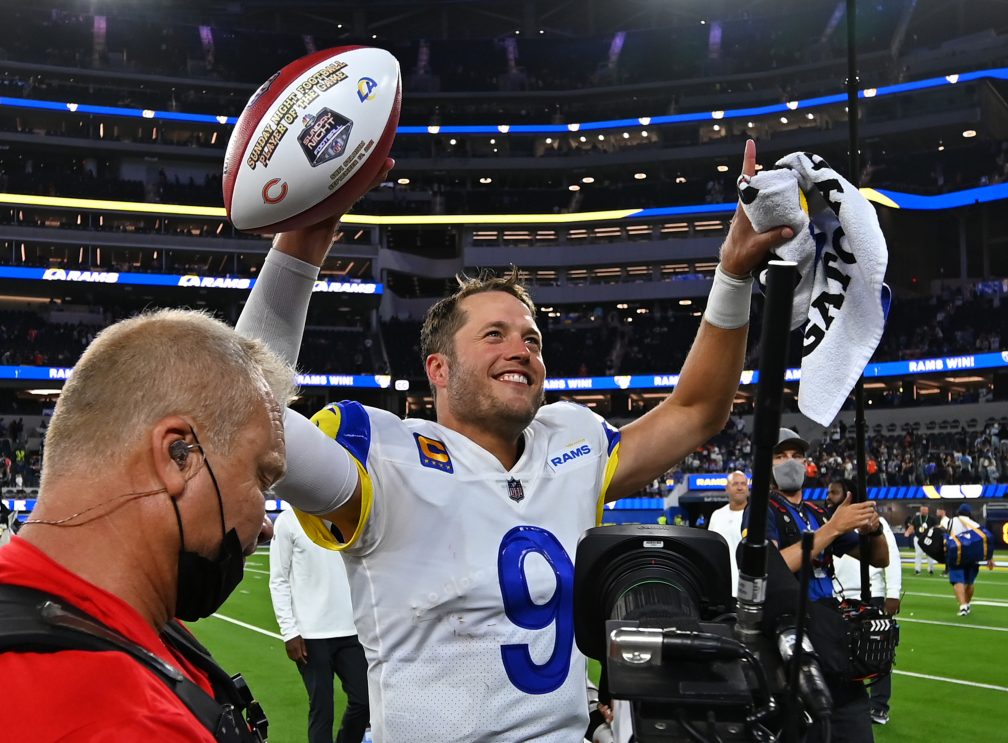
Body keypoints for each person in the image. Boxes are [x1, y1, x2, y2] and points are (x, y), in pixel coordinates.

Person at [235, 141, 795, 742]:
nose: (521, 350)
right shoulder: (381, 455)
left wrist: (734, 273)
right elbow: (243, 413)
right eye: (494, 334)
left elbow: (697, 410)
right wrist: (301, 246)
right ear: (439, 368)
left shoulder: (572, 441)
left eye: (532, 339)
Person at [0, 309, 293, 742]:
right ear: (180, 456)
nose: (266, 526)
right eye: (261, 478)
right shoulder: (125, 720)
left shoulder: (92, 614)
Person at [743, 428, 889, 743]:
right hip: (790, 635)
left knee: (852, 724)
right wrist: (834, 528)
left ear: (807, 462)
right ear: (768, 465)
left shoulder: (816, 512)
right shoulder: (762, 510)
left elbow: (879, 559)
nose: (789, 462)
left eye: (796, 455)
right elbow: (768, 566)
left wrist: (873, 529)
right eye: (780, 456)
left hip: (829, 633)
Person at [270, 507, 370, 743]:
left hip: (352, 630)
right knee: (322, 710)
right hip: (310, 635)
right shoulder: (288, 521)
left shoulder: (345, 516)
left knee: (364, 702)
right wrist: (289, 632)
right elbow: (278, 580)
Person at [829, 480, 902, 726]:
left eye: (834, 492)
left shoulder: (873, 522)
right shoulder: (830, 523)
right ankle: (849, 703)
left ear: (848, 494)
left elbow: (890, 558)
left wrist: (893, 593)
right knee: (845, 655)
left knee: (877, 652)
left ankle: (879, 706)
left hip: (871, 595)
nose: (829, 496)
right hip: (839, 597)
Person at [947, 503, 996, 616]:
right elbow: (985, 540)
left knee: (958, 580)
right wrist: (990, 558)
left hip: (958, 554)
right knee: (969, 582)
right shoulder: (975, 524)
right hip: (973, 556)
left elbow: (948, 536)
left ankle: (963, 606)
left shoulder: (952, 521)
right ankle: (967, 604)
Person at [707, 470, 749, 595]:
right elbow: (710, 549)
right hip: (721, 584)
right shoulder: (717, 515)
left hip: (746, 586)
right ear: (727, 488)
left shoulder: (755, 516)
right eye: (735, 484)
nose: (740, 487)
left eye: (743, 484)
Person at [903, 504, 936, 575]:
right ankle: (917, 570)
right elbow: (912, 527)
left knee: (929, 554)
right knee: (918, 554)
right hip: (918, 538)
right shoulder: (916, 518)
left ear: (928, 510)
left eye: (925, 510)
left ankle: (931, 569)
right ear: (920, 510)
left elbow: (935, 528)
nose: (924, 511)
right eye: (923, 510)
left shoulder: (931, 519)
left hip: (928, 539)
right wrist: (907, 532)